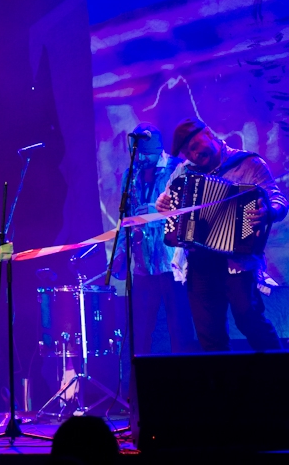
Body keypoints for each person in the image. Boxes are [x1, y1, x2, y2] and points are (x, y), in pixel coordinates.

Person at [155, 118, 287, 352]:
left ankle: (278, 370)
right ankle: (222, 377)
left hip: (238, 259)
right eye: (188, 152)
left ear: (208, 133)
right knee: (209, 333)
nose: (194, 154)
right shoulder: (183, 172)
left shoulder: (248, 163)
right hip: (199, 262)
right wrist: (163, 204)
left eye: (195, 146)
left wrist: (268, 211)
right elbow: (169, 203)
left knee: (249, 320)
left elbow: (278, 199)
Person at [112, 122, 196, 354]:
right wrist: (121, 252)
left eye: (146, 154)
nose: (140, 159)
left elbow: (190, 210)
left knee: (179, 328)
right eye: (137, 154)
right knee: (139, 331)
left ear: (158, 150)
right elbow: (126, 216)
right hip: (143, 265)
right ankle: (140, 375)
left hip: (173, 263)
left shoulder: (177, 168)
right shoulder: (130, 174)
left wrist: (154, 212)